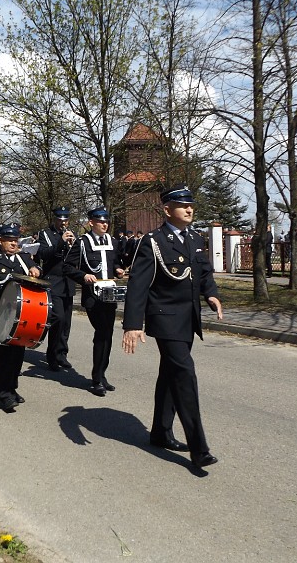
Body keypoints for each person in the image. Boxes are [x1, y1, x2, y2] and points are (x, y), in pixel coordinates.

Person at [121, 185, 223, 470]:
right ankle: (199, 448)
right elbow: (138, 286)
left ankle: (160, 432)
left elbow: (204, 273)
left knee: (169, 374)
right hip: (165, 319)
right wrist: (132, 325)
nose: (189, 209)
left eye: (191, 204)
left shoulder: (194, 238)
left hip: (187, 319)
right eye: (182, 205)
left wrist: (211, 294)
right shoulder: (153, 242)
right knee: (184, 375)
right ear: (167, 209)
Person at [0, 223, 42, 411]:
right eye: (10, 241)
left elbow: (36, 270)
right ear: (0, 241)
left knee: (18, 353)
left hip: (22, 313)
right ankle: (4, 394)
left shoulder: (24, 258)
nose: (14, 244)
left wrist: (36, 269)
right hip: (0, 312)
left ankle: (12, 388)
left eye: (15, 240)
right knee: (4, 353)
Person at [65, 207, 125, 397]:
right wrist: (83, 276)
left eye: (106, 221)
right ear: (91, 222)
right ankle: (96, 379)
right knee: (101, 333)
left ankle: (102, 374)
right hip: (93, 296)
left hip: (110, 293)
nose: (105, 224)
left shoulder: (112, 241)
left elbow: (114, 262)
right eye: (100, 221)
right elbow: (66, 267)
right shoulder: (83, 242)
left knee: (108, 334)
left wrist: (118, 270)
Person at [37, 206, 76, 371]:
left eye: (65, 220)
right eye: (60, 220)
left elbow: (76, 258)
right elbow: (43, 255)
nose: (63, 223)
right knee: (58, 319)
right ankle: (52, 355)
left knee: (66, 322)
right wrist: (60, 243)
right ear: (55, 220)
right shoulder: (45, 234)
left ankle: (62, 354)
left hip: (68, 283)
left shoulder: (73, 234)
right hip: (53, 282)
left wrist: (74, 245)